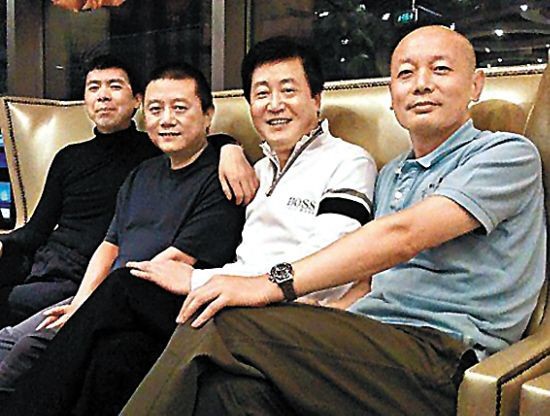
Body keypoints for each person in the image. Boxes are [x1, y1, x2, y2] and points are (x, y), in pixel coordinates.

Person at [120, 26, 546, 416]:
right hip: (369, 338)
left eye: (440, 69)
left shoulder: (506, 154)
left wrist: (266, 287)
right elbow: (367, 282)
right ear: (392, 95)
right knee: (231, 392)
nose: (421, 84)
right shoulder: (393, 174)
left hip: (445, 353)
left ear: (475, 84)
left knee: (220, 320)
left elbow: (403, 236)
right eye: (405, 73)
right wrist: (314, 315)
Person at [1, 36, 376, 415]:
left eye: (288, 90)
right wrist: (229, 148)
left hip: (278, 308)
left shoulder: (347, 161)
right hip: (227, 300)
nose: (274, 104)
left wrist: (198, 279)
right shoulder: (256, 171)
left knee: (125, 284)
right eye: (262, 93)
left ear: (316, 98)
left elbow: (330, 255)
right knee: (119, 353)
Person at [0, 54, 257, 328]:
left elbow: (195, 145)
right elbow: (37, 229)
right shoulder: (69, 157)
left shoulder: (153, 154)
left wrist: (230, 147)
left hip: (88, 275)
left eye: (114, 85)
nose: (103, 96)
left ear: (137, 101)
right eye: (93, 87)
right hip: (48, 263)